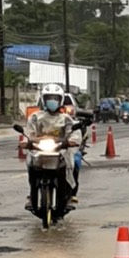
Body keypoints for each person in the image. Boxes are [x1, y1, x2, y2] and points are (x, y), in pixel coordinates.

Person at [24, 82, 78, 211]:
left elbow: (73, 133)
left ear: (60, 100)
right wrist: (28, 141)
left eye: (55, 99)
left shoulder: (66, 119)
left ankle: (69, 195)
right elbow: (29, 133)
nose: (52, 101)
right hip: (39, 151)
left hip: (60, 151)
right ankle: (32, 195)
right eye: (49, 98)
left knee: (72, 166)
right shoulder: (35, 117)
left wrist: (71, 141)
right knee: (31, 168)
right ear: (44, 99)